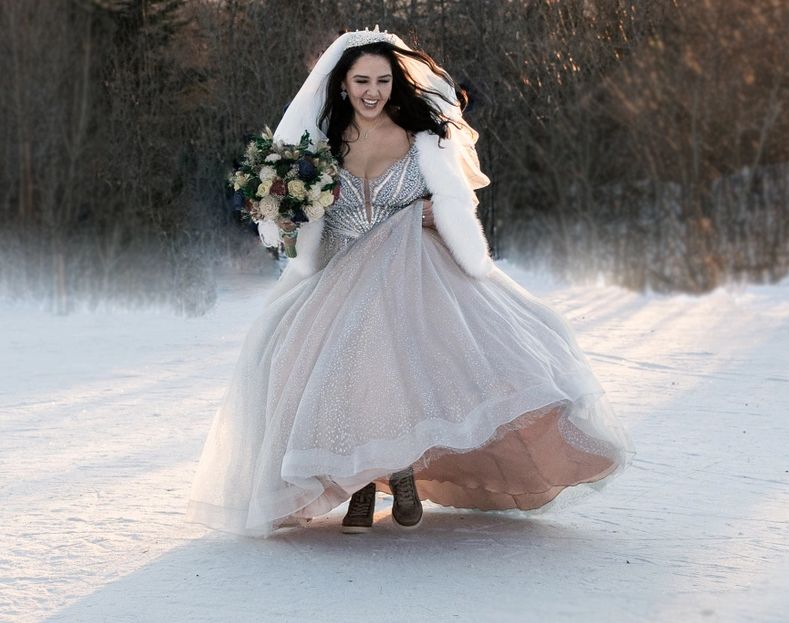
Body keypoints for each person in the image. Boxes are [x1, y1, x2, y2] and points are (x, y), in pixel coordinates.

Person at [185, 27, 636, 537]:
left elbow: (453, 203)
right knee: (311, 358)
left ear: (395, 82)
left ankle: (398, 472)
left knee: (414, 356)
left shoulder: (425, 137)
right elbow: (300, 227)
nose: (372, 91)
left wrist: (431, 214)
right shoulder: (317, 149)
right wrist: (284, 215)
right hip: (342, 269)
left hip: (415, 265)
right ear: (343, 85)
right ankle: (362, 482)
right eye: (361, 81)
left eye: (382, 80)